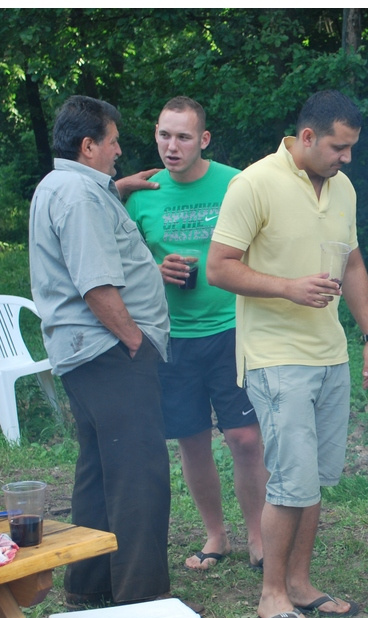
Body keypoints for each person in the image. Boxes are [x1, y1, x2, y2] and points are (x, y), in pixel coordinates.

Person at [207, 89, 368, 618]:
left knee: (313, 479)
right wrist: (286, 287)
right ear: (307, 137)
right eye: (338, 147)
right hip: (275, 357)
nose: (346, 158)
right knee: (289, 481)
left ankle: (302, 585)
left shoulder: (343, 187)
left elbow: (351, 261)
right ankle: (272, 595)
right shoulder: (254, 183)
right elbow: (219, 267)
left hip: (330, 354)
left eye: (351, 148)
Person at [28, 95, 172, 606]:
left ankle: (90, 586)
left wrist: (119, 186)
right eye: (111, 142)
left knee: (100, 468)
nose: (118, 151)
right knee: (139, 473)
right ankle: (141, 597)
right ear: (88, 146)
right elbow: (97, 286)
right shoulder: (81, 198)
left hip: (84, 354)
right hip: (111, 351)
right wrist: (135, 341)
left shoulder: (63, 184)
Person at [126, 96, 269, 572]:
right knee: (190, 438)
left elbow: (267, 242)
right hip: (172, 334)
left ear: (203, 139)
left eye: (183, 136)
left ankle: (258, 534)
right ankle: (216, 535)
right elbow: (117, 259)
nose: (172, 146)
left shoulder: (236, 183)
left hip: (232, 327)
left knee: (246, 437)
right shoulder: (141, 194)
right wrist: (153, 268)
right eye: (164, 135)